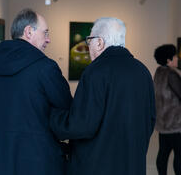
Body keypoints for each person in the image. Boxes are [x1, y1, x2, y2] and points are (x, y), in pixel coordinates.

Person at [50, 17, 156, 175]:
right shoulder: (143, 71)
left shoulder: (95, 72)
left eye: (89, 40)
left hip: (97, 165)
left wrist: (53, 117)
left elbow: (82, 125)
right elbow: (150, 119)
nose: (88, 46)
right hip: (132, 164)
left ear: (99, 42)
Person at [0, 8, 72, 175]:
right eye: (45, 33)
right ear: (29, 32)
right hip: (39, 162)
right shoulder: (45, 68)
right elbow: (67, 109)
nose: (48, 39)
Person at [153, 44, 181, 175]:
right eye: (175, 56)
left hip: (164, 122)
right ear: (168, 59)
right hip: (175, 123)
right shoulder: (171, 75)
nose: (177, 58)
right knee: (180, 153)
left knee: (163, 152)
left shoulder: (159, 72)